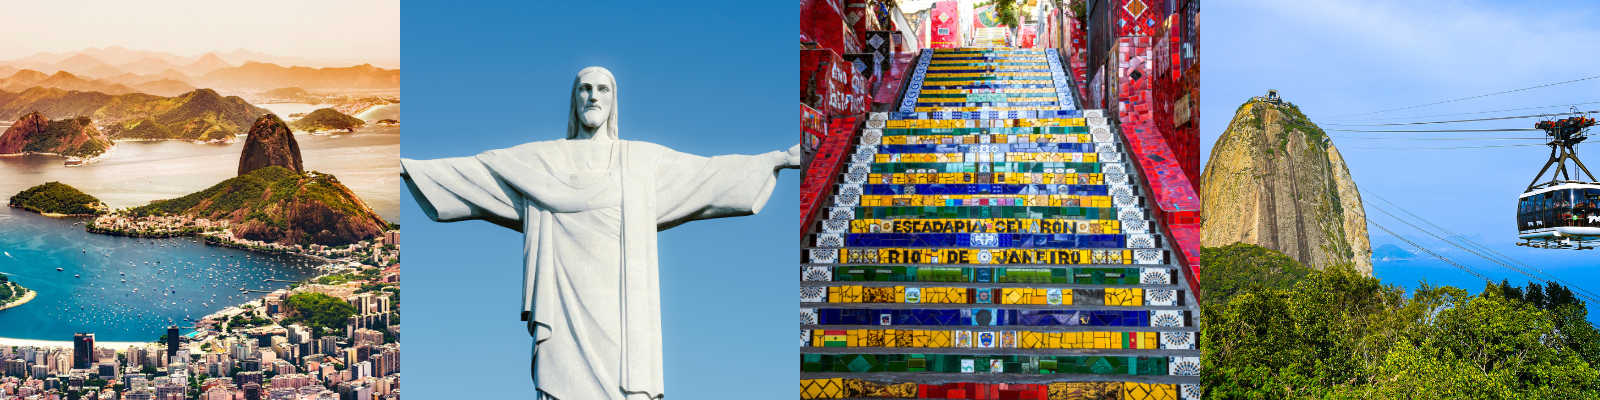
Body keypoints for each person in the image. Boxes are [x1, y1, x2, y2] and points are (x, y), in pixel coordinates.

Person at [402, 67, 800, 400]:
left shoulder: (640, 161)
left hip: (623, 306)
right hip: (561, 303)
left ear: (614, 100)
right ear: (574, 99)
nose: (593, 96)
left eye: (603, 89)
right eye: (585, 88)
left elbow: (706, 174)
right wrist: (408, 168)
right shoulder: (542, 160)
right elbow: (479, 172)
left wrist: (776, 159)